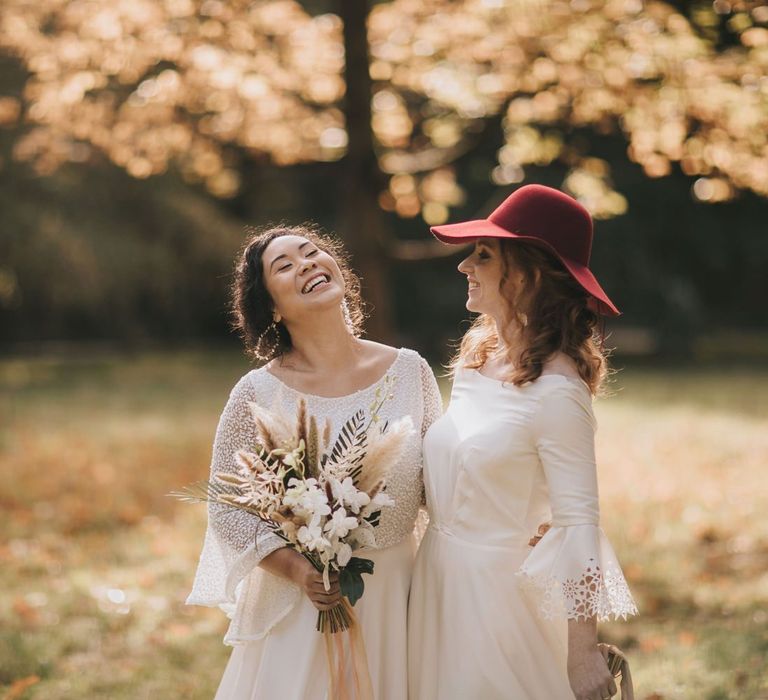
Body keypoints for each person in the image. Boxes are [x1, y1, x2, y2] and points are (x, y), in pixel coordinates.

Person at [186, 224, 441, 699]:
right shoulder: (258, 393)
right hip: (306, 604)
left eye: (312, 252)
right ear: (273, 309)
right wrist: (299, 571)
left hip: (399, 596)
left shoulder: (410, 370)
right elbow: (228, 507)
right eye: (284, 266)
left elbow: (442, 484)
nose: (306, 263)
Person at [408, 185, 638, 700]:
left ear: (531, 272)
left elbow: (579, 524)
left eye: (484, 255)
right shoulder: (477, 359)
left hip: (497, 604)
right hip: (433, 584)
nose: (465, 266)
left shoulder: (558, 392)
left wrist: (581, 650)